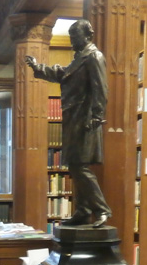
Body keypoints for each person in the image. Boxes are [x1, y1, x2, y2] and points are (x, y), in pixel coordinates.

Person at [25, 19, 112, 228]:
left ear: (88, 36)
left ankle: (101, 209)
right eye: (71, 37)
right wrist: (38, 68)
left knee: (79, 166)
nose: (72, 41)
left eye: (75, 37)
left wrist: (97, 116)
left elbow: (100, 88)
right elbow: (62, 74)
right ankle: (83, 211)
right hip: (74, 119)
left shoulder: (94, 57)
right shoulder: (79, 58)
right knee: (75, 165)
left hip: (85, 120)